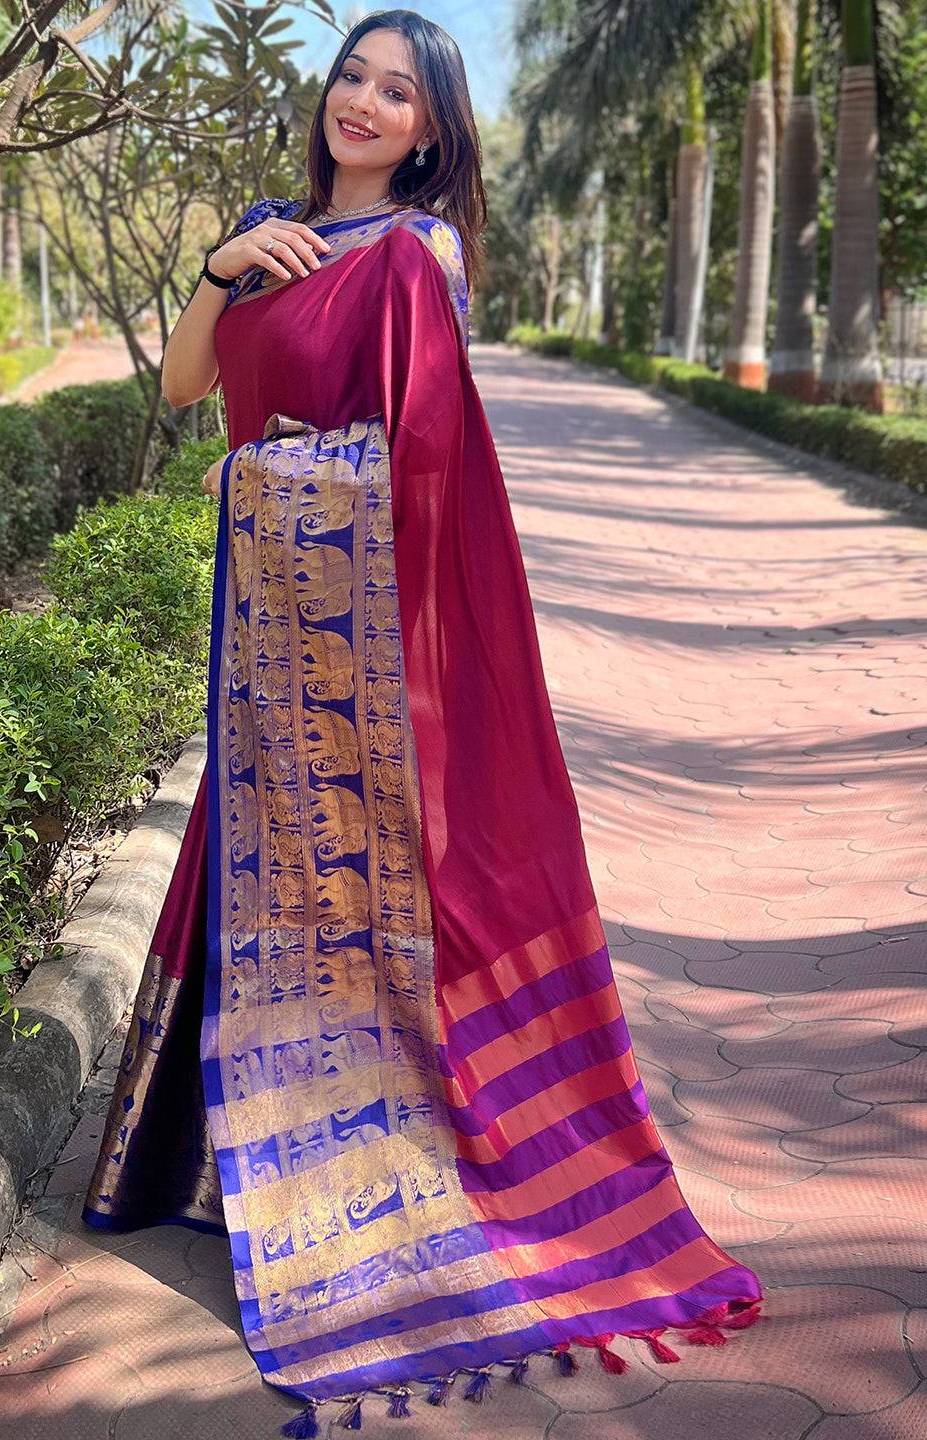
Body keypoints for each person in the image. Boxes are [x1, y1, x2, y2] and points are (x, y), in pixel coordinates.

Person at [81, 9, 764, 1433]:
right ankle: (229, 1162)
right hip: (258, 628)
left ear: (433, 131)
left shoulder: (413, 256)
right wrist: (215, 265)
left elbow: (425, 464)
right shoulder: (271, 229)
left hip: (339, 639)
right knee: (249, 876)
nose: (365, 102)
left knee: (339, 887)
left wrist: (269, 489)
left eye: (399, 92)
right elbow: (185, 385)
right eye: (352, 76)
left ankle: (355, 1171)